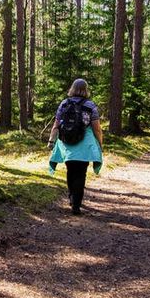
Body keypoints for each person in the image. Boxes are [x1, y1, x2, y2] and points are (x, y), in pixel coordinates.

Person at [47, 79, 103, 215]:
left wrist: (51, 141)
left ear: (72, 88)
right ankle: (76, 205)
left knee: (70, 171)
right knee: (81, 173)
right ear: (86, 89)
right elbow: (96, 129)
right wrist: (100, 144)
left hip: (66, 144)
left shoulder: (64, 104)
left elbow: (56, 124)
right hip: (85, 145)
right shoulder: (90, 106)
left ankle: (72, 197)